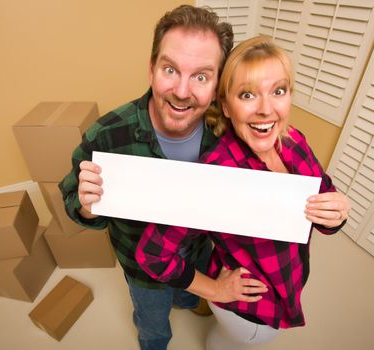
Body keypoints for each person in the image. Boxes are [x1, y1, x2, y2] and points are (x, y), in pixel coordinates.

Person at [59, 5, 266, 350]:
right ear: (152, 68)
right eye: (171, 69)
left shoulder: (228, 136)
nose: (182, 91)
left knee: (188, 298)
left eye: (201, 76)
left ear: (217, 85)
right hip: (144, 273)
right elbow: (71, 200)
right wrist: (86, 207)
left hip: (198, 253)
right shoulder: (106, 135)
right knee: (153, 324)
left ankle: (187, 300)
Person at [136, 35, 351, 349]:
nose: (266, 110)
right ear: (225, 104)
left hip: (288, 277)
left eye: (278, 91)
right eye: (248, 94)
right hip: (250, 312)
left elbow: (322, 207)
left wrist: (336, 212)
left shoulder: (292, 140)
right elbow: (152, 255)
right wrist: (214, 290)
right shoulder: (215, 175)